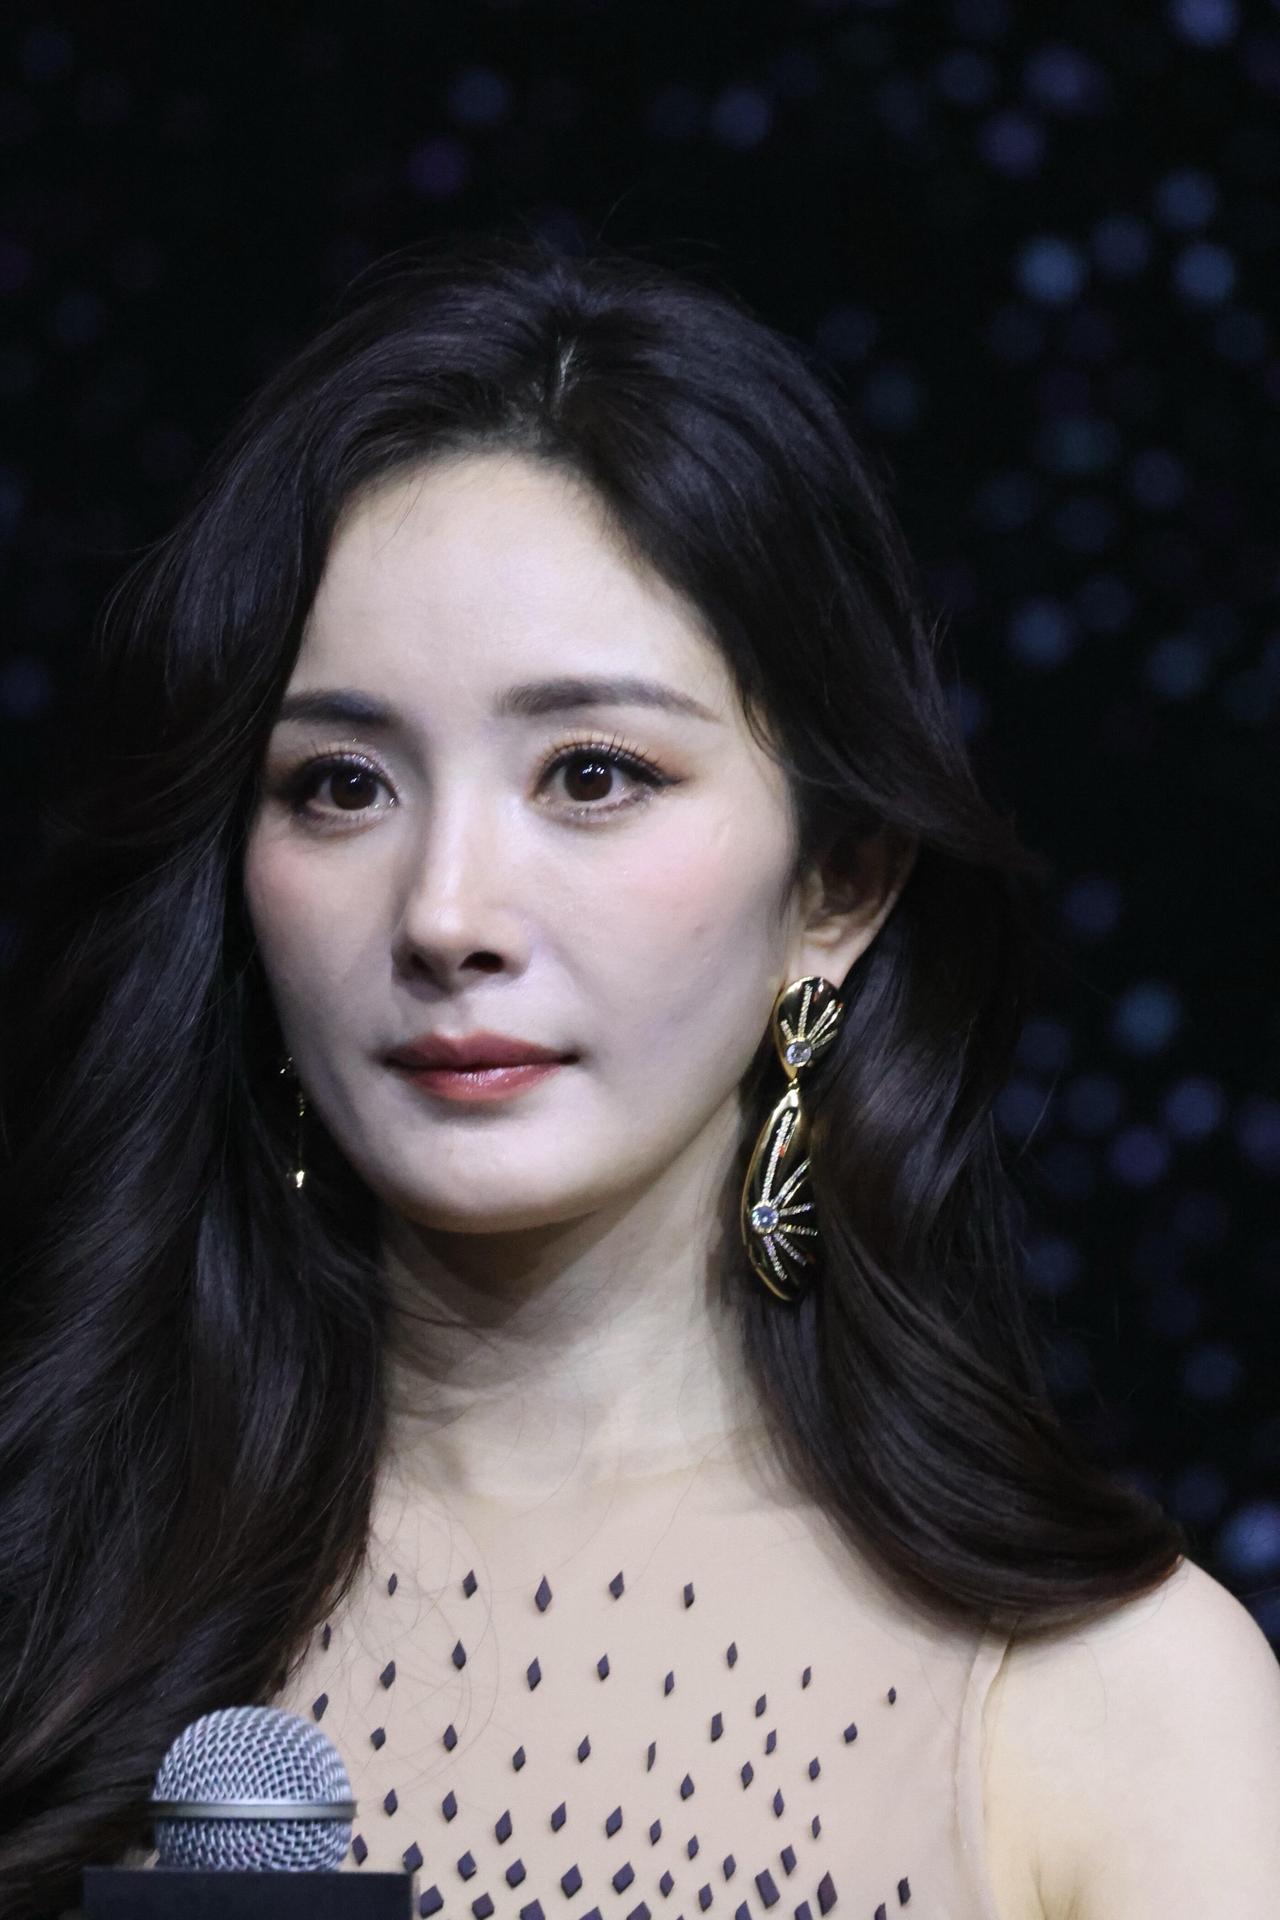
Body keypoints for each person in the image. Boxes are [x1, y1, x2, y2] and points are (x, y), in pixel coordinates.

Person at [0, 232, 1276, 1920]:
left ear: (839, 886)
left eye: (591, 775)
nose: (447, 914)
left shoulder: (1111, 1708)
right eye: (341, 785)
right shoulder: (47, 1612)